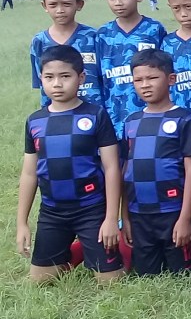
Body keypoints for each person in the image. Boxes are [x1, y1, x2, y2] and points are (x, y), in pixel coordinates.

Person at [16, 45, 123, 283]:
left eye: (65, 76)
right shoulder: (35, 121)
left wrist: (110, 218)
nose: (57, 84)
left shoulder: (96, 115)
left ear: (81, 77)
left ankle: (93, 247)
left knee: (111, 282)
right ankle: (75, 252)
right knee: (40, 281)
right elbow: (29, 174)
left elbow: (112, 168)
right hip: (52, 212)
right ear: (41, 78)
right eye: (49, 77)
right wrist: (22, 223)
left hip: (91, 209)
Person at [121, 49, 191, 275]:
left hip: (172, 211)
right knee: (146, 274)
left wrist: (185, 217)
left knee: (183, 274)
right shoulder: (131, 122)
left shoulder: (184, 119)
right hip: (139, 213)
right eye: (138, 80)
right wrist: (125, 217)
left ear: (171, 79)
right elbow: (125, 170)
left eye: (152, 78)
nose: (145, 85)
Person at [95, 0, 167, 138]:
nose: (118, 3)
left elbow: (165, 70)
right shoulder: (103, 34)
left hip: (150, 117)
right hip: (114, 118)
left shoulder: (154, 29)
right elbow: (98, 77)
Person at [30, 0, 103, 108]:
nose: (60, 10)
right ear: (44, 6)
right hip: (58, 114)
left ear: (79, 4)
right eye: (53, 5)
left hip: (94, 112)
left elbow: (104, 78)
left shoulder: (94, 37)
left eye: (66, 4)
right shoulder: (39, 42)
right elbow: (42, 85)